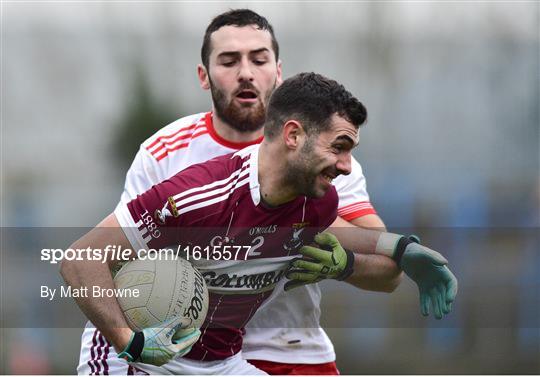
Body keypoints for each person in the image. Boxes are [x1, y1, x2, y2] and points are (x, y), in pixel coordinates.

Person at [74, 10, 456, 375]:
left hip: (283, 345)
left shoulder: (322, 170)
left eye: (258, 59)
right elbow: (100, 260)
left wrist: (385, 254)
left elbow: (371, 255)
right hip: (172, 349)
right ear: (204, 76)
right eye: (228, 61)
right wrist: (132, 339)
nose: (245, 73)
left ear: (278, 72)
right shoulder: (171, 162)